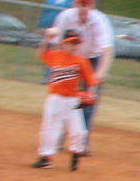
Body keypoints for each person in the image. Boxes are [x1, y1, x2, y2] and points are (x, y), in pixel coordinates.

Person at [45, 0, 114, 146]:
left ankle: (82, 143)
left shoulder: (99, 20)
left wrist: (101, 72)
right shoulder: (65, 17)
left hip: (91, 59)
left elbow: (107, 50)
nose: (84, 8)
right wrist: (59, 64)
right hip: (70, 58)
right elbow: (57, 43)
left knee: (88, 100)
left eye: (87, 4)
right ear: (75, 4)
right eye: (81, 4)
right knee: (63, 98)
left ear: (92, 6)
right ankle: (58, 138)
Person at [32, 31, 98, 171]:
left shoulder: (81, 61)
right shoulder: (55, 55)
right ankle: (45, 158)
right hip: (55, 98)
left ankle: (75, 155)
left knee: (78, 130)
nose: (74, 46)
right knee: (49, 128)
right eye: (71, 43)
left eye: (76, 44)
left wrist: (90, 95)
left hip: (72, 100)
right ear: (63, 44)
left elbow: (91, 81)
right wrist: (46, 39)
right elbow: (41, 53)